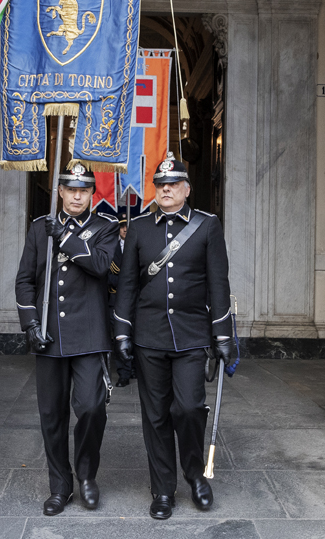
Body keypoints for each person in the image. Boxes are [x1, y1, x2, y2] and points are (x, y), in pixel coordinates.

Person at [112, 151, 234, 520]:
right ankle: (162, 489)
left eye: (173, 184)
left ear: (186, 188)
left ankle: (196, 475)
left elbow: (218, 283)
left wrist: (224, 336)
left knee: (189, 408)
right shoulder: (139, 228)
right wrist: (122, 332)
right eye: (160, 185)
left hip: (193, 335)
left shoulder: (207, 225)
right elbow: (128, 285)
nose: (166, 190)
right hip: (149, 337)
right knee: (156, 416)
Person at [14, 164, 119, 516]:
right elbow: (25, 280)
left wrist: (65, 236)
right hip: (49, 336)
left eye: (84, 190)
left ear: (92, 194)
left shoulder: (105, 228)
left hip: (89, 336)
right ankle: (61, 486)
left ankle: (87, 476)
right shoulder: (37, 229)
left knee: (91, 407)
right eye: (71, 189)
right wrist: (30, 324)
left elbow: (101, 265)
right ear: (59, 191)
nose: (77, 196)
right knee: (51, 415)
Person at [107, 213, 135, 387]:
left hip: (136, 301)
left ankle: (135, 370)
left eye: (128, 226)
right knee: (120, 337)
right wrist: (127, 281)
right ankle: (123, 374)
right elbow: (108, 276)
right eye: (122, 226)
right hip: (115, 300)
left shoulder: (140, 247)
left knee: (137, 337)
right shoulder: (111, 248)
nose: (125, 229)